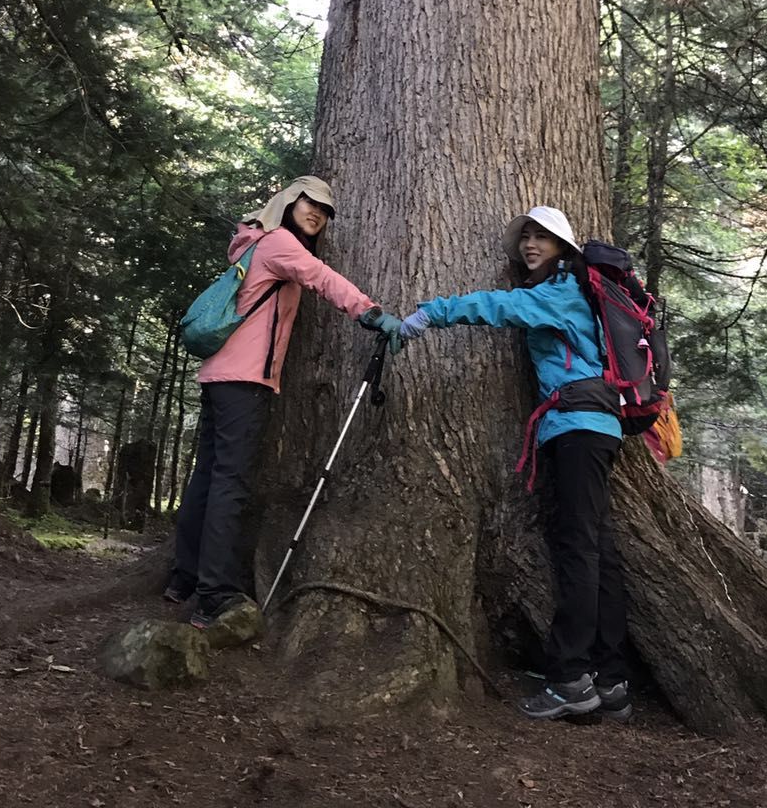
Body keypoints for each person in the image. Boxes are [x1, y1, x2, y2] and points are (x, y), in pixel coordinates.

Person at [399, 206, 632, 722]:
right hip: (598, 427)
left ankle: (571, 676)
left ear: (563, 249)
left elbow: (497, 307)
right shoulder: (580, 294)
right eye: (526, 237)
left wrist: (429, 314)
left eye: (543, 238)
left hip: (575, 430)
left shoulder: (557, 294)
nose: (531, 245)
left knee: (578, 552)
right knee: (600, 552)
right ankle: (610, 678)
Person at [166, 175, 400, 630]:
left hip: (220, 375)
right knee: (230, 484)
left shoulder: (254, 243)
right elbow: (321, 277)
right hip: (244, 379)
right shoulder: (279, 244)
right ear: (288, 201)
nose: (317, 213)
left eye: (325, 211)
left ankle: (184, 577)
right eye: (309, 202)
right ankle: (213, 595)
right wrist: (369, 312)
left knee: (209, 479)